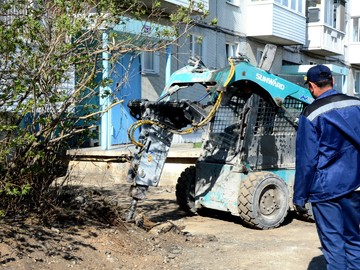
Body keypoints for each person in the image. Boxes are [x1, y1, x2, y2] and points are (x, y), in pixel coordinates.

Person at [293, 64, 360, 270]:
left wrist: (299, 196)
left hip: (326, 190)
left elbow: (306, 160)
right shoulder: (357, 104)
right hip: (355, 185)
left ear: (312, 86)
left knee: (333, 245)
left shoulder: (310, 114)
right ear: (332, 81)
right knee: (354, 239)